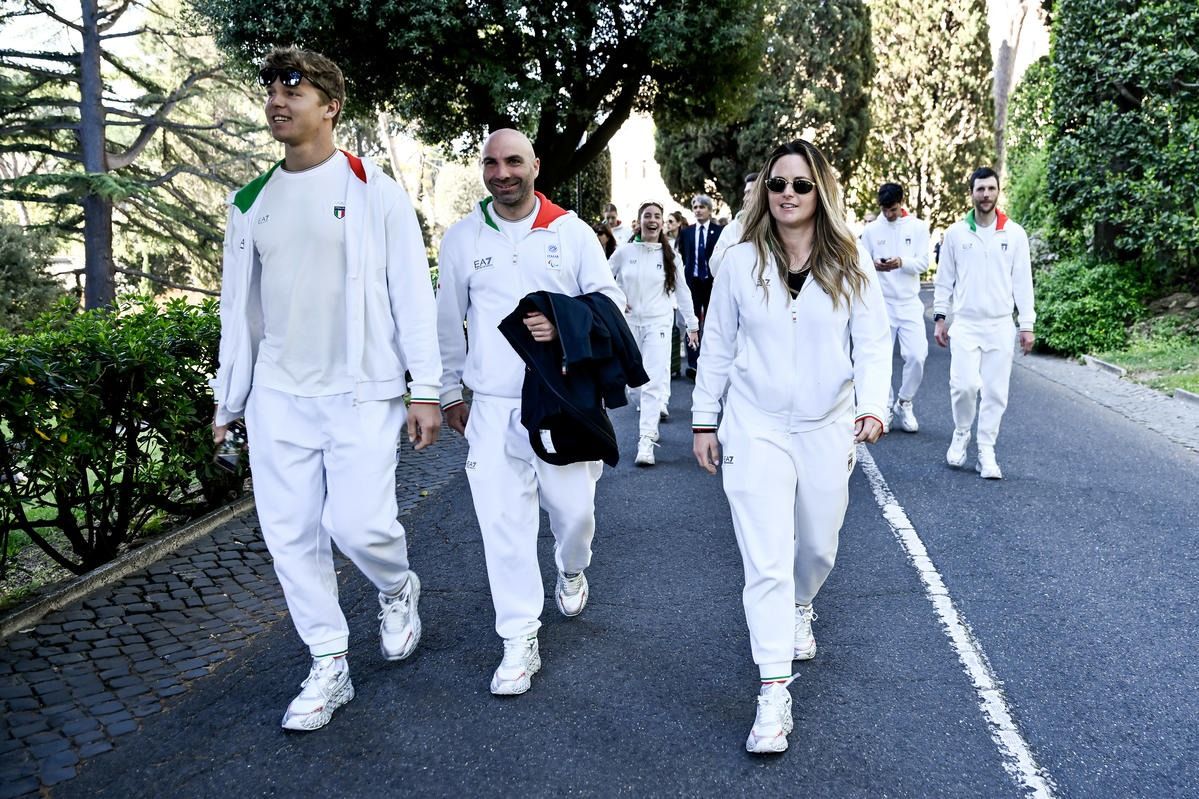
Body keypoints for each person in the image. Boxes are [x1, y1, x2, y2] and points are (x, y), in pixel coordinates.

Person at [210, 46, 442, 731]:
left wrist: (425, 388)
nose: (277, 100)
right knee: (290, 536)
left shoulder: (375, 189)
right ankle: (328, 661)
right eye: (271, 89)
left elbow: (411, 293)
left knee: (358, 524)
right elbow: (238, 312)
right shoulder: (249, 202)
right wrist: (229, 401)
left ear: (331, 106)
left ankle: (396, 585)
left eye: (294, 88)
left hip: (361, 392)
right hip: (278, 397)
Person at [691, 140, 891, 754]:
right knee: (766, 560)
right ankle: (773, 690)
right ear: (764, 192)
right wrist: (704, 420)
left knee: (817, 547)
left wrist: (873, 405)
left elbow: (873, 339)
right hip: (754, 425)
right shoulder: (740, 260)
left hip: (826, 425)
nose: (787, 194)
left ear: (820, 191)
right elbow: (718, 344)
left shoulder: (849, 259)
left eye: (801, 184)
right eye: (777, 183)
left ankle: (803, 603)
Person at [436, 128, 626, 696]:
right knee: (502, 527)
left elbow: (610, 302)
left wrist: (564, 322)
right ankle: (519, 638)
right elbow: (446, 320)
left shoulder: (571, 232)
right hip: (493, 406)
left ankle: (572, 566)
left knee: (575, 516)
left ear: (536, 165)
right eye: (491, 163)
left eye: (513, 161)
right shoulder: (462, 238)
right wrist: (448, 392)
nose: (502, 173)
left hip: (563, 402)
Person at [933, 166, 1035, 478]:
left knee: (995, 392)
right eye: (980, 189)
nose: (986, 194)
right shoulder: (955, 234)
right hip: (966, 323)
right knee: (963, 386)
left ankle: (986, 451)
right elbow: (944, 279)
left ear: (998, 191)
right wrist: (940, 317)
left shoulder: (1014, 234)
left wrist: (1026, 324)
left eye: (991, 188)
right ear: (972, 193)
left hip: (1000, 324)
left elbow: (1023, 282)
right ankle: (962, 432)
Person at [608, 201, 699, 465]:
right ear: (639, 222)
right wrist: (617, 299)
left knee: (651, 383)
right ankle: (649, 412)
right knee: (633, 385)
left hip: (658, 323)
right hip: (629, 324)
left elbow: (683, 291)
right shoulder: (624, 252)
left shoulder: (671, 257)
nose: (652, 220)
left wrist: (692, 325)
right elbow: (602, 279)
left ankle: (646, 441)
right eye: (647, 215)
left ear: (661, 223)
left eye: (657, 216)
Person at [861, 182, 931, 432]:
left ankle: (904, 401)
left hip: (910, 302)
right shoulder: (871, 230)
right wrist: (875, 264)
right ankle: (886, 406)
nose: (889, 214)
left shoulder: (918, 227)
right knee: (882, 358)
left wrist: (901, 262)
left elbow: (924, 263)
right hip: (882, 303)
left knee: (917, 356)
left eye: (893, 209)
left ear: (901, 203)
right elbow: (861, 262)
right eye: (884, 210)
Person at [675, 194, 724, 377]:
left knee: (712, 322)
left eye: (702, 207)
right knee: (692, 322)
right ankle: (693, 364)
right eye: (695, 207)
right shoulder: (686, 232)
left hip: (712, 283)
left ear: (710, 210)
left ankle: (710, 361)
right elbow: (682, 256)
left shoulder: (719, 231)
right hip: (693, 283)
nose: (698, 210)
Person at [710, 172, 759, 275]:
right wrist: (735, 246)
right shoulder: (732, 228)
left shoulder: (780, 226)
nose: (745, 198)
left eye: (750, 192)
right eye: (745, 193)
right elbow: (714, 267)